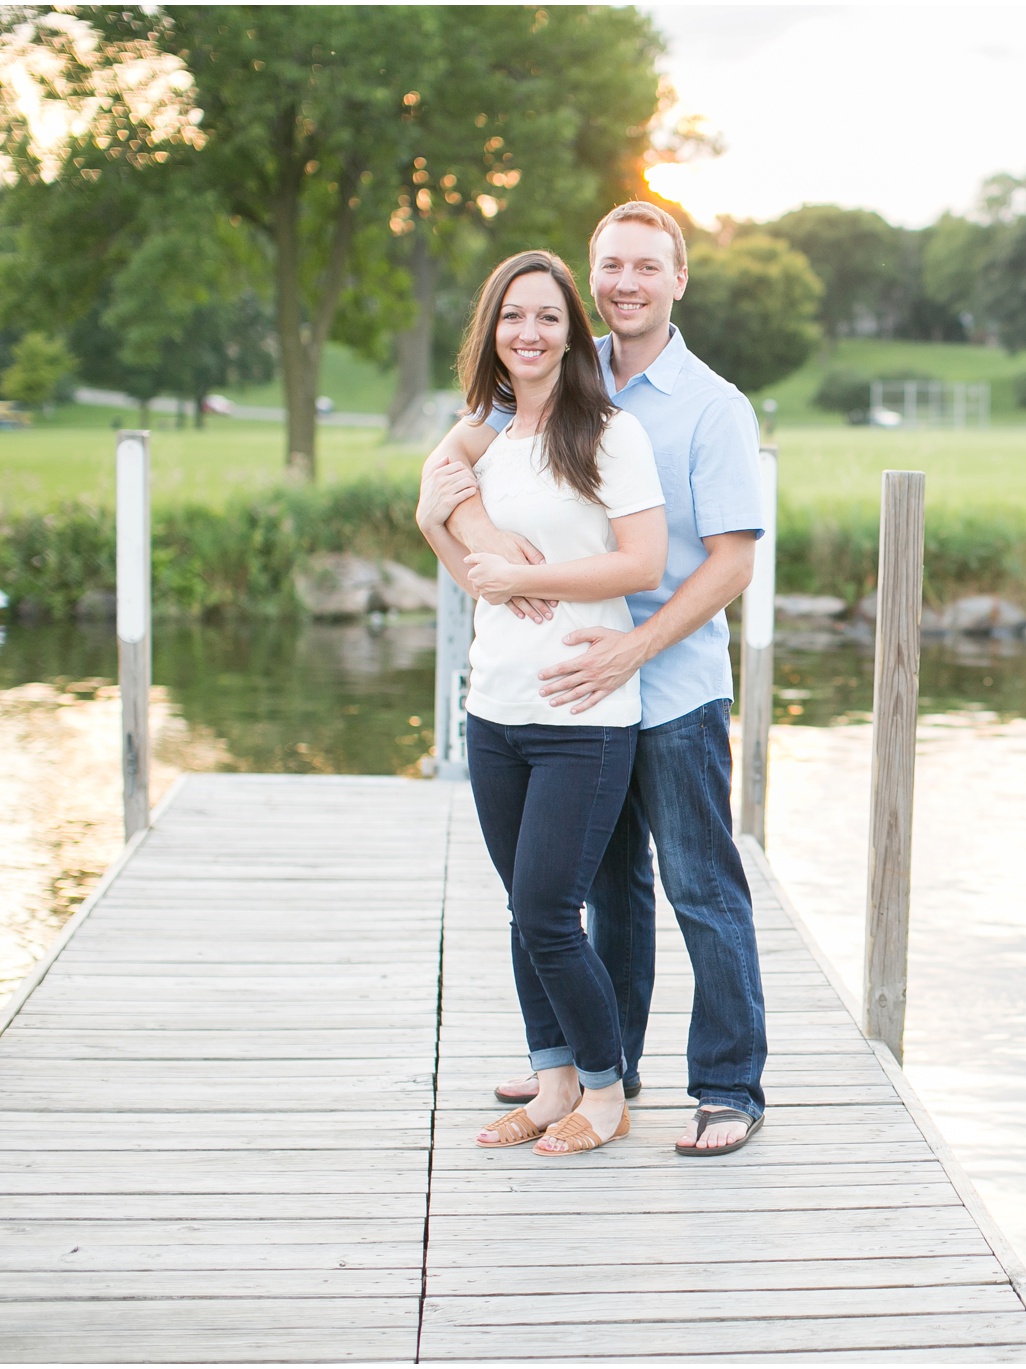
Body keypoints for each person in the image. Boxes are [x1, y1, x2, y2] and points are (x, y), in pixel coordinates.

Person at [418, 201, 770, 1155]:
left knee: (701, 887)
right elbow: (448, 464)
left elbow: (729, 563)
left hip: (673, 683)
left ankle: (730, 1083)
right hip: (575, 700)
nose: (626, 282)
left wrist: (634, 646)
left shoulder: (712, 407)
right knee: (605, 891)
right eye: (611, 264)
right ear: (590, 279)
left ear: (678, 279)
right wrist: (480, 540)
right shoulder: (559, 384)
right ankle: (601, 1064)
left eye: (646, 267)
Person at [417, 248, 668, 1157]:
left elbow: (641, 563)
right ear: (492, 331)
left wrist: (537, 573)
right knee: (523, 910)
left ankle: (605, 1092)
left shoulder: (608, 433)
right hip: (495, 711)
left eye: (548, 317)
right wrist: (444, 532)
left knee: (549, 913)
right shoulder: (484, 438)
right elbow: (465, 564)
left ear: (573, 333)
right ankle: (552, 1077)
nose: (529, 333)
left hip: (584, 717)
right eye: (513, 317)